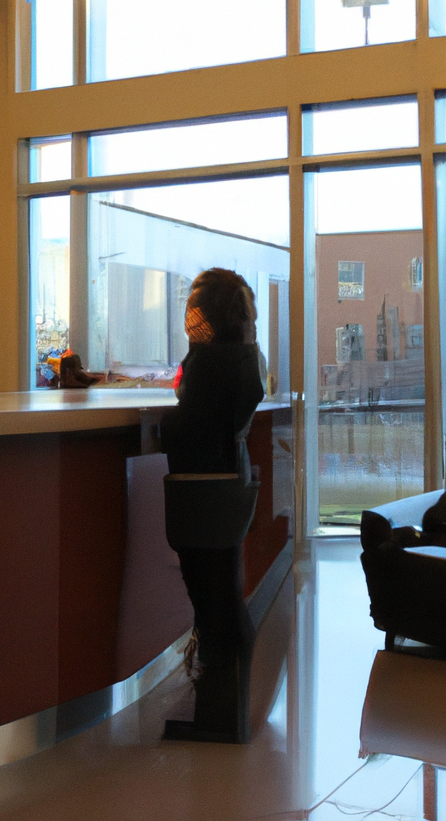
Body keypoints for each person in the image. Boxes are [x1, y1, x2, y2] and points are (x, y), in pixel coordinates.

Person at [161, 267, 265, 741]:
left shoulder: (210, 364)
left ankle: (219, 717)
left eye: (195, 307)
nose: (190, 317)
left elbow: (187, 418)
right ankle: (231, 713)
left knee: (211, 604)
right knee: (224, 597)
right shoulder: (245, 356)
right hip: (229, 486)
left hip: (203, 492)